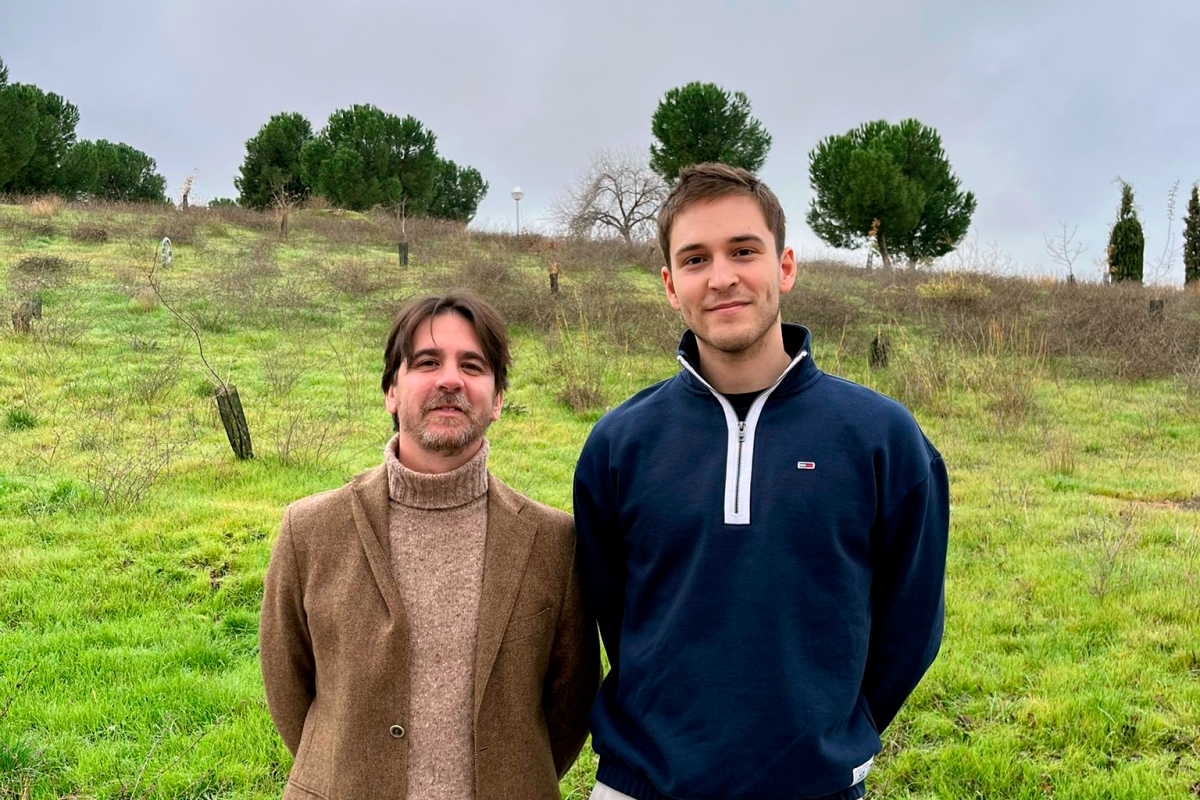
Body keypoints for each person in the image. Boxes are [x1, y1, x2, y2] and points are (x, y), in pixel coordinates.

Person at [573, 164, 949, 800]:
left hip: (814, 787)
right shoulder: (619, 444)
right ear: (670, 285)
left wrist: (832, 734)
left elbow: (909, 624)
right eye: (695, 259)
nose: (721, 277)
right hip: (643, 784)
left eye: (744, 250)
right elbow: (614, 614)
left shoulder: (881, 436)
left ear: (785, 266)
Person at [261, 292, 600, 800]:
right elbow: (290, 691)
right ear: (391, 391)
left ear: (498, 399)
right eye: (426, 362)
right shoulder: (308, 531)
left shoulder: (555, 543)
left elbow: (570, 704)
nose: (450, 379)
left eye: (473, 365)